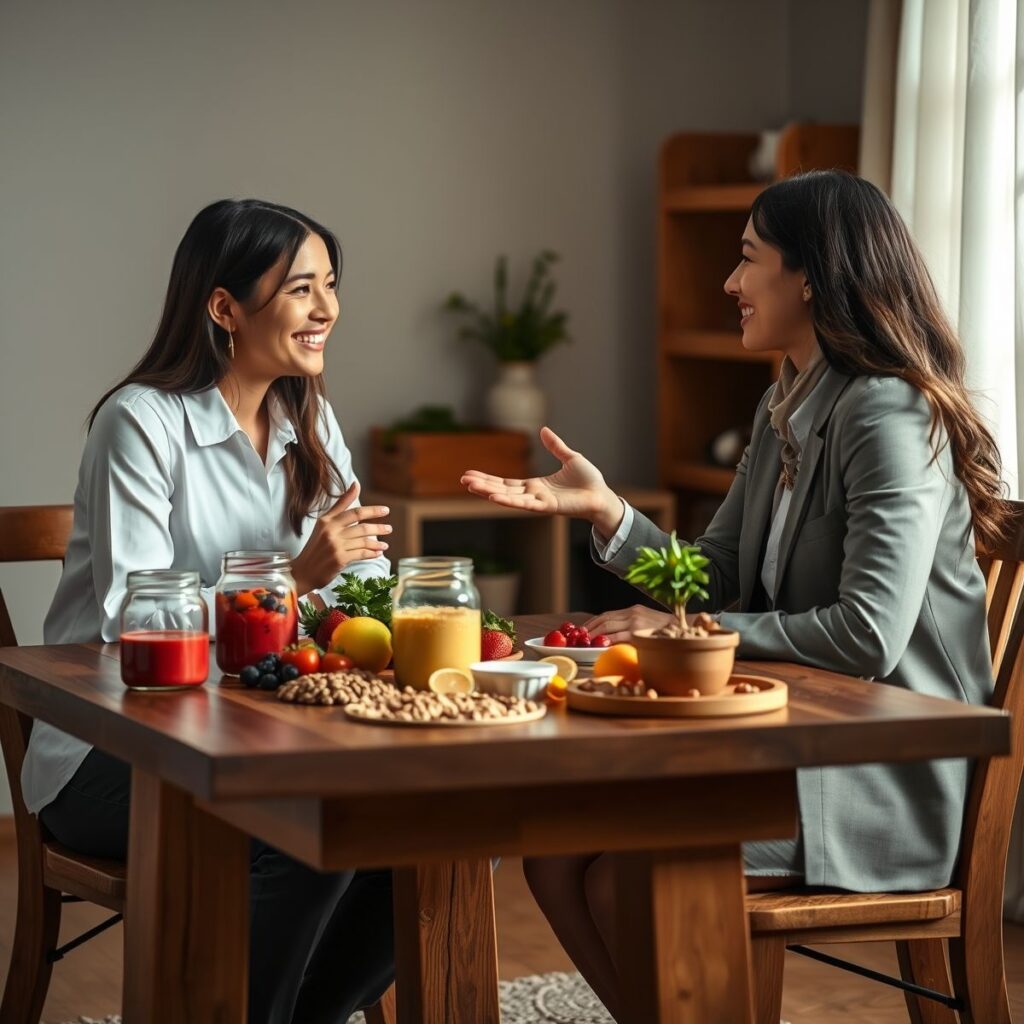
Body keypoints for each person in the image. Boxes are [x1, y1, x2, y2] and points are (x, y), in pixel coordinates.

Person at [461, 170, 1007, 1021]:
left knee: (630, 876)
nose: (730, 284)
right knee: (556, 858)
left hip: (890, 776)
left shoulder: (886, 414)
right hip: (800, 748)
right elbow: (712, 577)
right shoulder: (783, 404)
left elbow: (868, 634)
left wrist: (696, 633)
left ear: (811, 278)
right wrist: (607, 510)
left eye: (748, 260)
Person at [21, 199, 395, 1023]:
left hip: (262, 737)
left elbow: (352, 599)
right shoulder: (140, 422)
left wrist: (365, 595)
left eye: (331, 285)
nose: (327, 309)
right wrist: (293, 579)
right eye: (301, 288)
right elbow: (132, 623)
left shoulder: (311, 420)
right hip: (112, 753)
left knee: (418, 831)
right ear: (224, 307)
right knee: (313, 830)